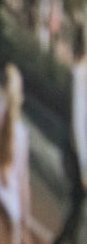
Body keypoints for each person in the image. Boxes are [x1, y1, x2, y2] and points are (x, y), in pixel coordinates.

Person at [0, 63, 31, 244]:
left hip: (0, 192)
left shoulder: (0, 113)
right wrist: (26, 219)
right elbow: (24, 180)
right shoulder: (22, 134)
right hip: (13, 205)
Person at [62, 23, 87, 243]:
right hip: (78, 154)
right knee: (79, 214)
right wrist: (84, 166)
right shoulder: (81, 74)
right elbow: (79, 123)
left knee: (76, 213)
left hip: (78, 153)